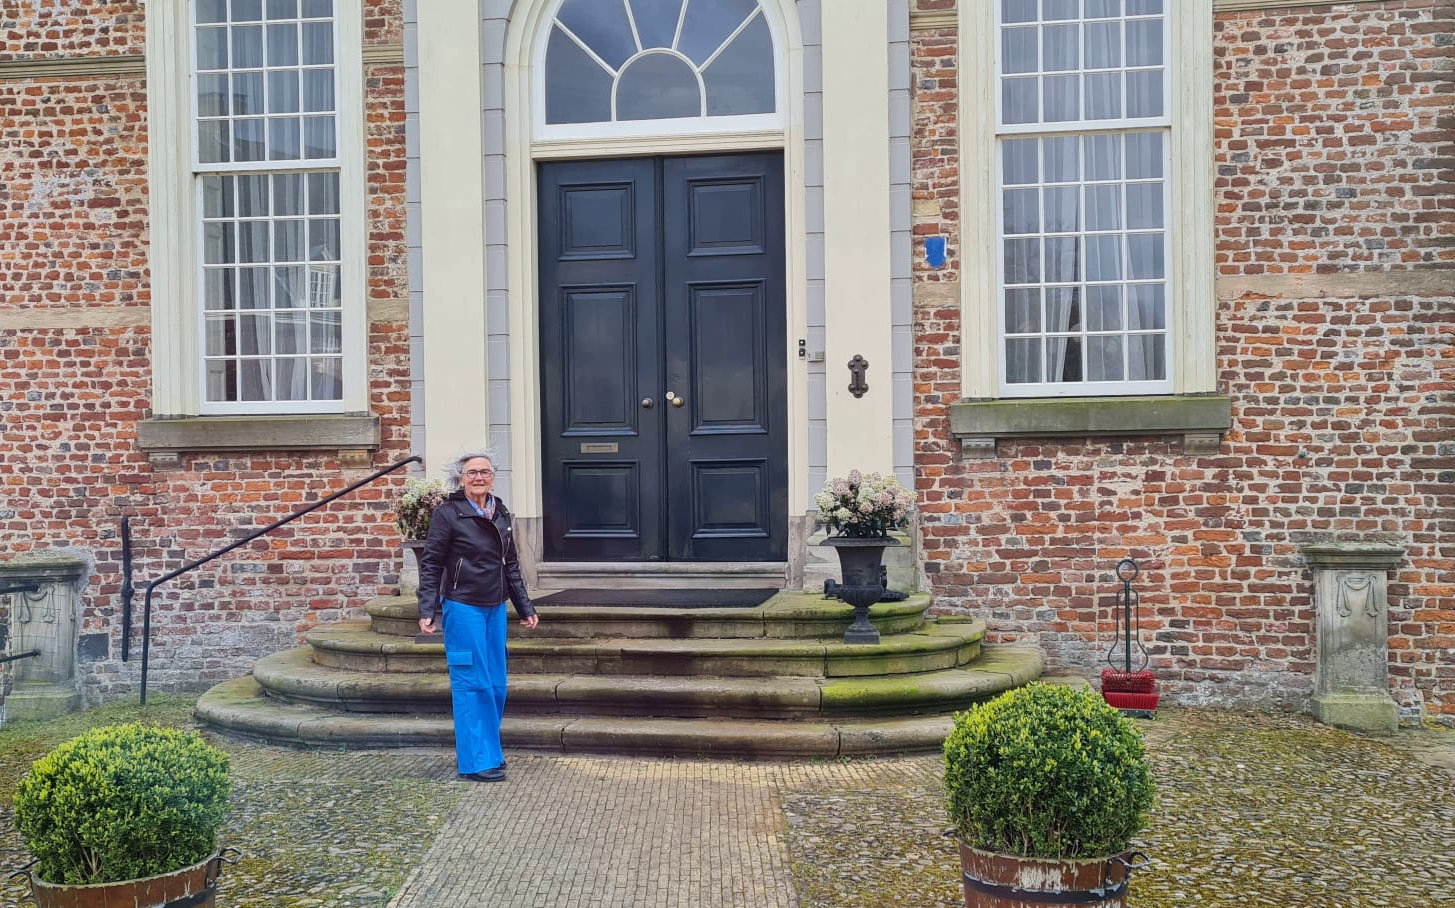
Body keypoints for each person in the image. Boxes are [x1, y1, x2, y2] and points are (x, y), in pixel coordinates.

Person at [416, 449, 539, 782]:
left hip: (495, 606)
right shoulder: (448, 514)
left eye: (485, 472)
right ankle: (475, 761)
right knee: (472, 682)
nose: (479, 477)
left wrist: (525, 606)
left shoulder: (500, 512)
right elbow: (431, 563)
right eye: (472, 473)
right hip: (462, 605)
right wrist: (428, 608)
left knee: (496, 684)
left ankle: (490, 752)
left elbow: (510, 564)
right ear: (461, 478)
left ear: (493, 477)